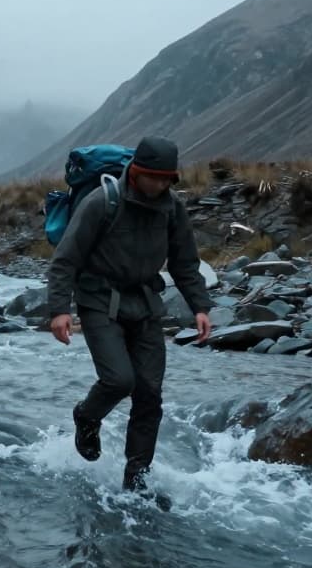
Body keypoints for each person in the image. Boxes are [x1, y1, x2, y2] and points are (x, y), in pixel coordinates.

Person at [45, 136, 213, 498]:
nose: (161, 185)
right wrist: (59, 309)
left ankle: (137, 475)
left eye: (168, 179)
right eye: (154, 177)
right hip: (99, 301)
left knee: (150, 394)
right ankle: (87, 417)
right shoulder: (101, 202)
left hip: (146, 303)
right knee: (120, 380)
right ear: (136, 171)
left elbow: (185, 263)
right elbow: (66, 260)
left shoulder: (172, 209)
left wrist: (200, 305)